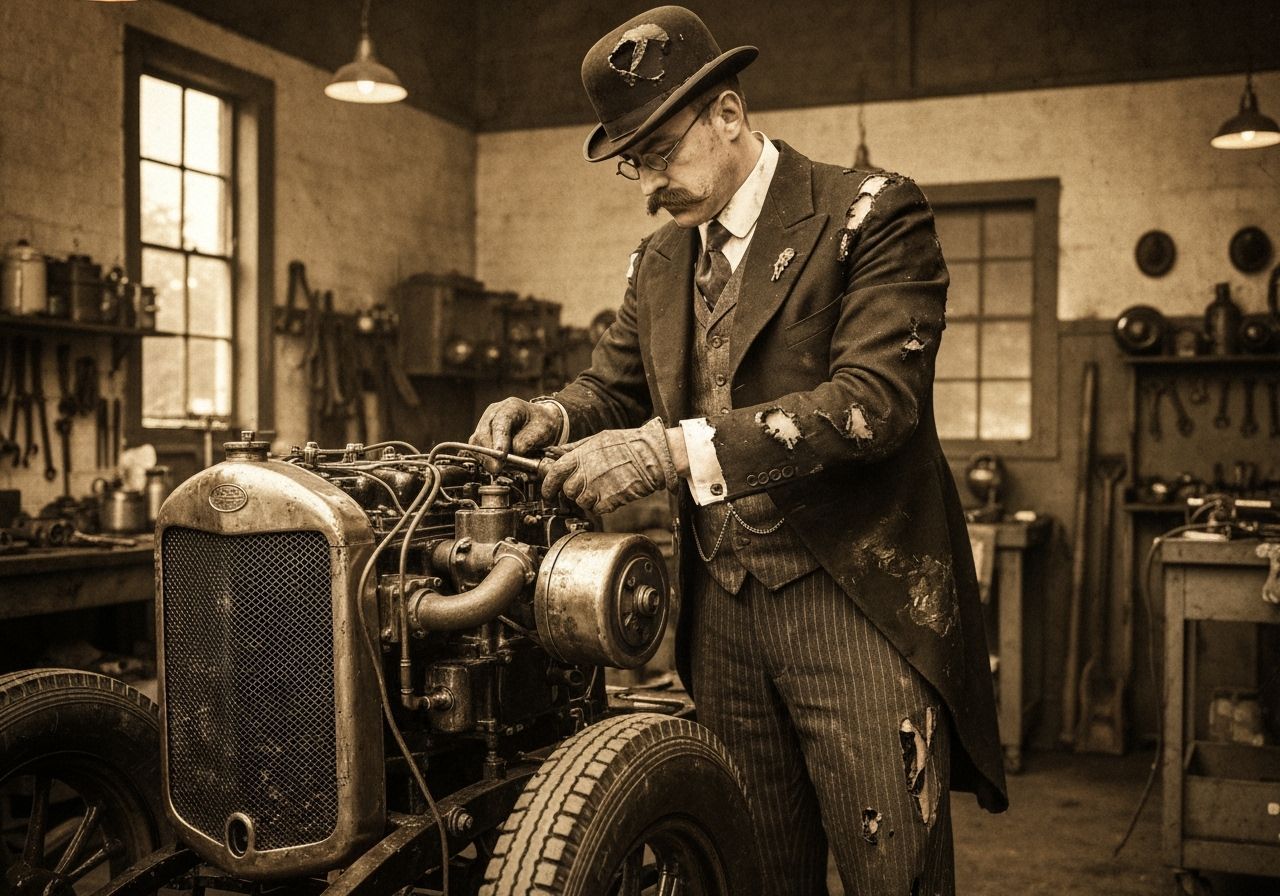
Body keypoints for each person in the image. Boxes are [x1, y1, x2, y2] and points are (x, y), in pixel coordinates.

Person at [470, 7, 1007, 893]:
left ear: (727, 113)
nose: (648, 183)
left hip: (854, 597)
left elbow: (876, 404)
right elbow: (614, 387)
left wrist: (672, 455)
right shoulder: (659, 261)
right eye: (632, 161)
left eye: (661, 150)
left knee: (893, 871)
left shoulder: (870, 213)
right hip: (719, 614)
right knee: (746, 866)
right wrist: (550, 416)